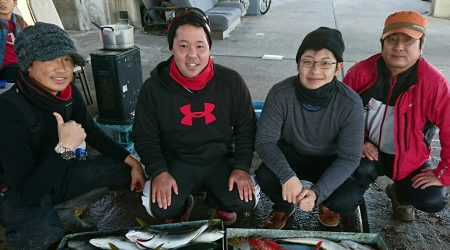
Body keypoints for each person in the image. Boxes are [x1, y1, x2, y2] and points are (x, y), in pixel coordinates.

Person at [0, 22, 145, 250]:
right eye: (50, 59)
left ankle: (61, 212)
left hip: (58, 174)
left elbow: (94, 135)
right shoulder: (9, 110)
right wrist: (64, 148)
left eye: (67, 60)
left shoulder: (69, 94)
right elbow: (26, 191)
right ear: (28, 64)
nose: (62, 69)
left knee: (123, 170)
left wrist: (132, 161)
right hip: (22, 192)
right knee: (43, 240)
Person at [132, 7, 258, 225]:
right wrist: (158, 171)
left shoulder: (231, 82)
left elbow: (246, 128)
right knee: (160, 208)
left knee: (244, 201)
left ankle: (217, 202)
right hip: (177, 162)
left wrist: (241, 167)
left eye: (200, 46)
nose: (192, 55)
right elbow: (144, 135)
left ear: (209, 47)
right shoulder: (153, 88)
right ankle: (182, 206)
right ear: (171, 46)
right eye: (183, 46)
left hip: (219, 160)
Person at [343, 11, 449, 221]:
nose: (399, 46)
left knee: (433, 199)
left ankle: (400, 193)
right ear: (382, 42)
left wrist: (443, 172)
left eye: (408, 40)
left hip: (411, 160)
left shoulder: (435, 83)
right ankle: (353, 196)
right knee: (342, 201)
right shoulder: (361, 72)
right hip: (367, 154)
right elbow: (339, 115)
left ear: (421, 45)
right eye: (392, 39)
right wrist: (359, 140)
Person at [255, 27, 364, 229]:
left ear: (338, 67)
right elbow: (264, 141)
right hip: (293, 153)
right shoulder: (281, 93)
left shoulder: (350, 103)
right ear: (298, 64)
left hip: (329, 159)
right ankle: (283, 205)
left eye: (325, 63)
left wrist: (318, 192)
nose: (315, 71)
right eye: (307, 61)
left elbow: (350, 157)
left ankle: (326, 205)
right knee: (265, 175)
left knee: (348, 197)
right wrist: (286, 175)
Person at [0, 0, 27, 82]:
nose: (2, 2)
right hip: (5, 68)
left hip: (22, 64)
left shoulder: (20, 21)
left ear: (15, 3)